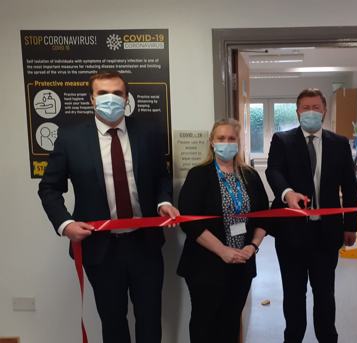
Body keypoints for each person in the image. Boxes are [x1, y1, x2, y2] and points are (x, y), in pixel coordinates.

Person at [38, 71, 179, 343]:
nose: (110, 99)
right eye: (103, 94)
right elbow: (49, 188)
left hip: (145, 244)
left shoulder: (148, 132)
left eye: (117, 93)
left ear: (127, 98)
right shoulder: (71, 139)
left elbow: (161, 175)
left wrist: (163, 201)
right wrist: (65, 224)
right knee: (113, 321)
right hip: (100, 249)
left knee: (150, 318)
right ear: (91, 99)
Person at [265, 88, 357, 343]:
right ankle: (292, 338)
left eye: (316, 107)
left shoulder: (339, 143)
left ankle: (328, 338)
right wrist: (287, 193)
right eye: (305, 108)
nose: (311, 112)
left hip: (326, 235)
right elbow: (273, 171)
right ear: (297, 112)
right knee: (294, 296)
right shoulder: (282, 140)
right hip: (291, 236)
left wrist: (351, 226)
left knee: (325, 296)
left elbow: (350, 186)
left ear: (325, 110)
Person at [177, 118, 269, 343]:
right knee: (204, 324)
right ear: (212, 142)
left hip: (242, 264)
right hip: (205, 266)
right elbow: (189, 221)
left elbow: (264, 216)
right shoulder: (199, 175)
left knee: (230, 323)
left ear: (238, 143)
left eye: (231, 138)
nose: (226, 143)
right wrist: (222, 251)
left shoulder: (250, 176)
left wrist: (253, 246)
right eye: (221, 138)